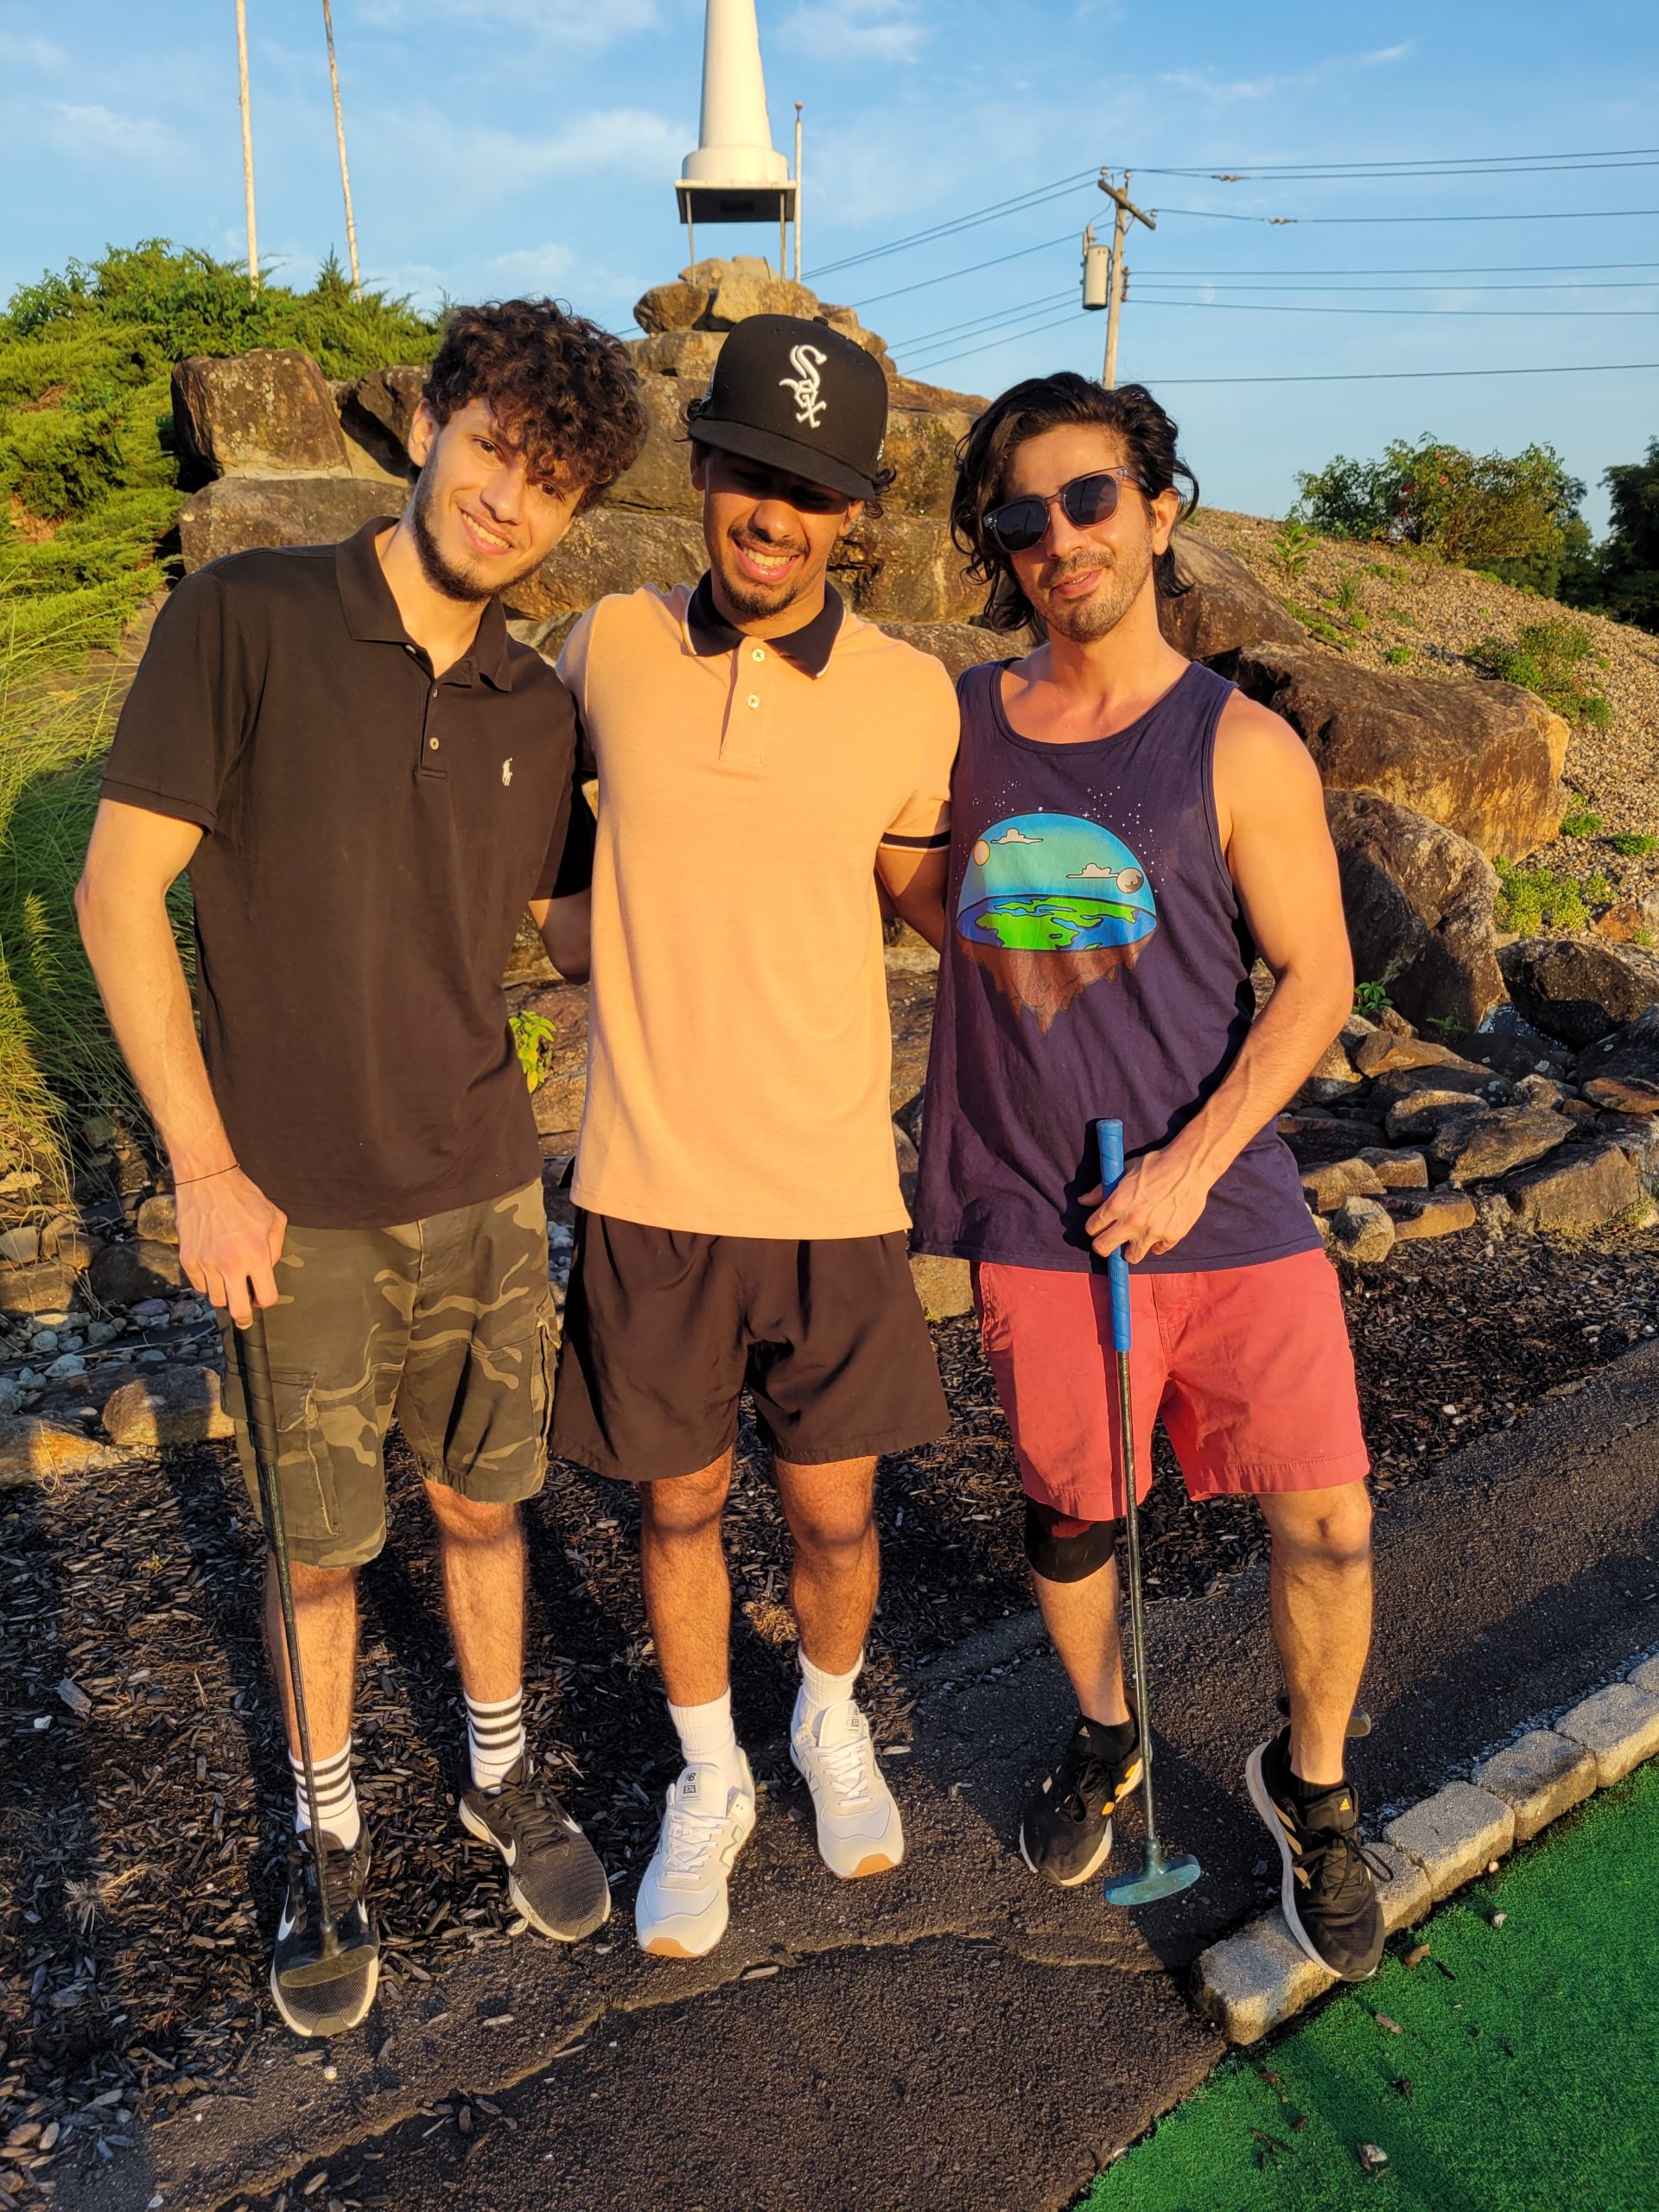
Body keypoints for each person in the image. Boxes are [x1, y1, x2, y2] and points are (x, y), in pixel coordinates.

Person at [75, 299, 645, 2036]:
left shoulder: (535, 705)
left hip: (483, 1180)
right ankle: (326, 1832)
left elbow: (576, 938)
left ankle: (498, 1777)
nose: (508, 500)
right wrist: (204, 1165)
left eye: (551, 484)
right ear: (429, 425)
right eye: (492, 449)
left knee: (484, 1504)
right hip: (294, 1203)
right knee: (318, 1548)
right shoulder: (244, 618)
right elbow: (116, 895)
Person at [910, 373, 1385, 1982]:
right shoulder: (958, 725)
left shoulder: (1239, 744)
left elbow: (1317, 979)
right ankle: (1108, 1734)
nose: (1058, 536)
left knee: (1328, 1520)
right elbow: (917, 887)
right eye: (1019, 514)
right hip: (1039, 1214)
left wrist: (1191, 1160)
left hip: (1223, 1199)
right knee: (1074, 1516)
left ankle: (1310, 1789)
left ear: (1160, 510)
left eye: (1090, 497)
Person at [550, 315, 959, 1959]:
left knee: (836, 1521)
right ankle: (709, 1772)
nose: (772, 513)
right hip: (647, 1183)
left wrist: (1081, 933)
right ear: (703, 467)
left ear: (850, 512)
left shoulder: (913, 696)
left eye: (811, 488)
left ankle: (827, 1720)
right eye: (748, 471)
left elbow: (931, 894)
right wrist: (584, 931)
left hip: (831, 1189)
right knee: (673, 1515)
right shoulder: (608, 643)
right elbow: (527, 827)